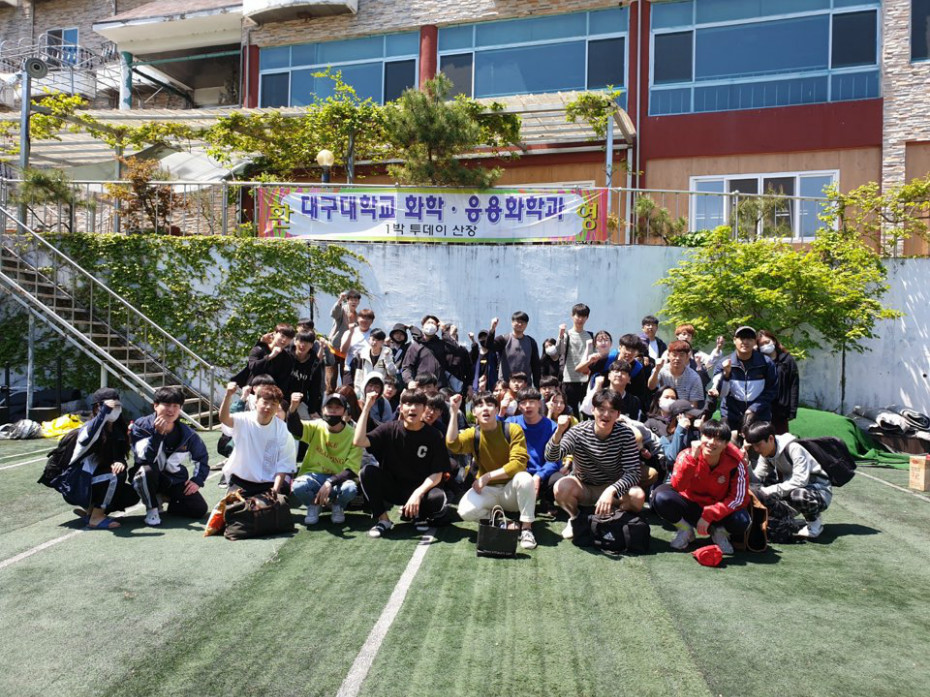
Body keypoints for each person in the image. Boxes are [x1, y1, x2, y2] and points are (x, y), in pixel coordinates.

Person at [544, 389, 645, 539]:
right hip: (584, 486)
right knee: (561, 487)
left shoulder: (626, 434)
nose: (606, 415)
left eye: (612, 410)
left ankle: (613, 517)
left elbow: (633, 473)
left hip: (613, 487)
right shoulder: (578, 431)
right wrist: (559, 431)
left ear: (618, 414)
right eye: (601, 409)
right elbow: (551, 456)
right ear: (593, 410)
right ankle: (575, 518)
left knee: (637, 496)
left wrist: (611, 490)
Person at [448, 391, 538, 550]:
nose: (485, 409)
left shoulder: (512, 429)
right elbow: (453, 444)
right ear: (474, 412)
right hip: (487, 491)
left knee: (525, 478)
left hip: (511, 491)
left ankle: (526, 529)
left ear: (497, 410)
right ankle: (503, 522)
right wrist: (454, 412)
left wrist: (488, 476)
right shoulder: (473, 434)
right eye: (479, 405)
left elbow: (519, 463)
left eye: (490, 405)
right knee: (464, 511)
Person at [354, 389, 449, 538]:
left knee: (437, 498)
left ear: (424, 408)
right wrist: (367, 408)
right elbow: (359, 441)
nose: (412, 408)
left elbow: (437, 474)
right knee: (367, 472)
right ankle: (383, 520)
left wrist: (417, 493)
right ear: (401, 407)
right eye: (408, 404)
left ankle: (419, 515)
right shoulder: (389, 429)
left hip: (420, 490)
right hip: (394, 489)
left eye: (417, 404)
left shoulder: (434, 435)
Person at [650, 420, 750, 554]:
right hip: (690, 505)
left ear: (726, 444)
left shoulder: (736, 463)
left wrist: (710, 514)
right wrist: (692, 459)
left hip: (719, 511)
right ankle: (685, 530)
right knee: (660, 496)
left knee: (742, 519)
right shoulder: (686, 455)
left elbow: (739, 499)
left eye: (719, 439)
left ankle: (720, 533)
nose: (712, 442)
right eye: (708, 436)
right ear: (700, 437)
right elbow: (678, 486)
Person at [50, 388, 139, 530]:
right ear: (98, 408)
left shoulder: (117, 430)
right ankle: (96, 517)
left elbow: (119, 456)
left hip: (93, 480)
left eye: (117, 406)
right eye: (110, 406)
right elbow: (93, 432)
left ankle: (90, 512)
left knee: (130, 494)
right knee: (116, 476)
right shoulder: (87, 430)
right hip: (75, 485)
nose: (115, 409)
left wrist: (120, 461)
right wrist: (104, 412)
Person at [130, 386, 210, 526]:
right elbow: (144, 458)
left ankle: (167, 500)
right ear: (155, 405)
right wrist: (158, 435)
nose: (171, 410)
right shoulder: (141, 426)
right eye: (166, 405)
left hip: (173, 479)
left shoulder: (187, 433)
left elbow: (201, 457)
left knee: (199, 509)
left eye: (175, 406)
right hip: (147, 476)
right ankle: (152, 509)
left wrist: (197, 480)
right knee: (146, 470)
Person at [744, 421, 831, 539]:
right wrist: (746, 464)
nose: (756, 449)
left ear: (770, 439)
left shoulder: (793, 448)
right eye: (753, 445)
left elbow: (800, 481)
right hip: (790, 492)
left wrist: (768, 491)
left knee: (798, 494)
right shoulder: (767, 453)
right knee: (756, 492)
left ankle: (814, 522)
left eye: (758, 445)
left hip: (819, 492)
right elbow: (757, 481)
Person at [288, 392, 362, 526]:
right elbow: (295, 429)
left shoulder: (353, 435)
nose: (333, 411)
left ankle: (337, 506)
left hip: (338, 480)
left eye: (338, 407)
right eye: (329, 407)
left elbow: (351, 470)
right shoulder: (317, 426)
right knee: (298, 486)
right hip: (314, 477)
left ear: (345, 411)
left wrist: (330, 482)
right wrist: (293, 409)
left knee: (350, 489)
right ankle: (314, 505)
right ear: (323, 410)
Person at [219, 381, 296, 497]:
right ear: (256, 401)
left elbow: (284, 464)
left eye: (273, 404)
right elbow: (224, 418)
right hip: (240, 481)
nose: (268, 407)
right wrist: (228, 395)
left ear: (277, 407)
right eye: (265, 402)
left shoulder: (282, 430)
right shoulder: (244, 419)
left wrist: (275, 491)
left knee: (267, 506)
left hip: (268, 483)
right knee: (234, 507)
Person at [712, 326, 778, 435]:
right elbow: (720, 392)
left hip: (759, 416)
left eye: (749, 338)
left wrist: (753, 409)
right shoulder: (723, 363)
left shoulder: (766, 363)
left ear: (755, 342)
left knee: (759, 445)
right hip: (730, 416)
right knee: (729, 444)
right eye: (742, 338)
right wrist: (726, 374)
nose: (745, 342)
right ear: (734, 340)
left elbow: (772, 390)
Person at [507, 388, 561, 517]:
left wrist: (538, 476)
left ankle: (546, 500)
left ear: (539, 404)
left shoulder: (551, 426)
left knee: (559, 479)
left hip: (542, 476)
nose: (527, 406)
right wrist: (501, 412)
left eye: (532, 402)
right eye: (523, 402)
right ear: (518, 406)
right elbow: (493, 431)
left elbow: (555, 460)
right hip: (518, 474)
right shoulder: (511, 422)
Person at [756, 330, 799, 435]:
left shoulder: (787, 360)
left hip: (781, 409)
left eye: (767, 342)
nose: (765, 345)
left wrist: (792, 410)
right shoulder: (758, 361)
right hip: (762, 408)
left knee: (781, 438)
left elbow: (794, 385)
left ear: (774, 341)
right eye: (761, 344)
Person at [555, 304, 594, 415]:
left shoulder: (590, 335)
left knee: (588, 412)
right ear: (572, 316)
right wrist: (560, 335)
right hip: (569, 379)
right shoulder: (566, 334)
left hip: (585, 380)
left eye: (583, 316)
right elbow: (559, 351)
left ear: (587, 318)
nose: (580, 319)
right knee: (571, 412)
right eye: (578, 316)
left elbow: (592, 356)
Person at [232, 323, 296, 392]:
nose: (284, 340)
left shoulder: (287, 359)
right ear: (274, 334)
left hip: (270, 395)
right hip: (251, 392)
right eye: (282, 336)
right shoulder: (259, 349)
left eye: (289, 338)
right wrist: (270, 356)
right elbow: (253, 367)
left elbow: (283, 382)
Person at [484, 311, 541, 387]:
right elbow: (489, 346)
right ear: (512, 322)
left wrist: (537, 386)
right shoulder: (503, 339)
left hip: (524, 386)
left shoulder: (531, 342)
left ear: (526, 324)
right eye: (518, 321)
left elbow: (535, 366)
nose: (520, 324)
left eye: (523, 322)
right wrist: (492, 329)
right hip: (506, 385)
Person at [647, 340, 705, 407]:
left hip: (683, 410)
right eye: (674, 355)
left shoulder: (694, 377)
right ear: (668, 355)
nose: (677, 358)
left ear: (687, 357)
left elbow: (693, 405)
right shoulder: (660, 369)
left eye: (681, 355)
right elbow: (651, 387)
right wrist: (656, 371)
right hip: (662, 409)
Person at [328, 289, 361, 390]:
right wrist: (340, 300)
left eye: (356, 300)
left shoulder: (358, 316)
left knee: (346, 380)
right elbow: (334, 314)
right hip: (334, 348)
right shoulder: (342, 310)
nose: (354, 302)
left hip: (347, 351)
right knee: (331, 380)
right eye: (352, 300)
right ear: (348, 300)